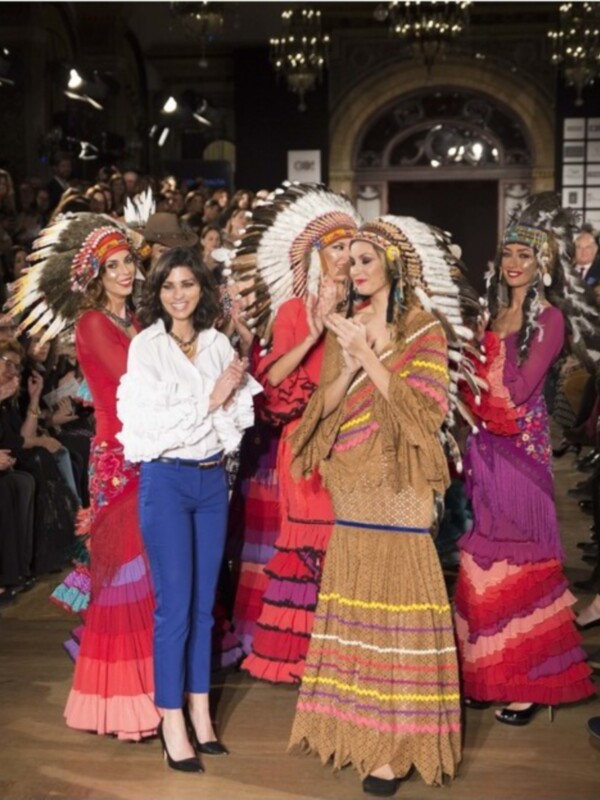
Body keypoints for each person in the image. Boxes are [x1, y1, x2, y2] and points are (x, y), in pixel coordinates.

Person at [287, 216, 478, 796]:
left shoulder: (424, 330)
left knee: (402, 615)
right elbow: (319, 409)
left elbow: (425, 415)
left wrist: (369, 357)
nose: (357, 269)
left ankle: (401, 745)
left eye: (368, 259)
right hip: (350, 479)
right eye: (352, 261)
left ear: (392, 265)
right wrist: (345, 363)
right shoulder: (342, 325)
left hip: (399, 483)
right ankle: (362, 734)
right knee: (361, 613)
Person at [8, 212, 160, 739]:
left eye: (127, 263)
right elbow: (135, 379)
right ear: (95, 274)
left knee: (146, 579)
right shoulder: (94, 324)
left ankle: (144, 693)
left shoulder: (135, 322)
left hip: (148, 454)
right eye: (112, 265)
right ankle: (121, 707)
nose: (123, 272)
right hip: (117, 460)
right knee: (122, 578)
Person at [117, 247, 261, 772]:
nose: (179, 295)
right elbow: (153, 432)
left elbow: (229, 431)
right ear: (157, 294)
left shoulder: (220, 343)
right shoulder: (146, 348)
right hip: (167, 482)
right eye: (168, 286)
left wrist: (218, 402)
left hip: (209, 484)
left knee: (204, 608)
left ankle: (202, 714)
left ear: (202, 289)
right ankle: (170, 717)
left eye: (188, 284)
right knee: (174, 609)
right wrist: (212, 398)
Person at [455, 193, 596, 725]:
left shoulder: (551, 319)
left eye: (526, 256)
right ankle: (488, 674)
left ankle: (530, 683)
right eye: (509, 253)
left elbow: (519, 389)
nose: (515, 263)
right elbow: (472, 389)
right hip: (485, 450)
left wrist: (490, 351)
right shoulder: (494, 313)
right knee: (482, 563)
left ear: (543, 265)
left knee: (522, 567)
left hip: (521, 455)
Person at [229, 183, 362, 682]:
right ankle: (302, 656)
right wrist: (314, 330)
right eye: (336, 247)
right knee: (309, 541)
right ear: (316, 256)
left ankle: (340, 651)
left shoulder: (365, 308)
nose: (346, 257)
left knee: (346, 542)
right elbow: (272, 383)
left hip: (353, 444)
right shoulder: (292, 312)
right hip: (304, 446)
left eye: (352, 246)